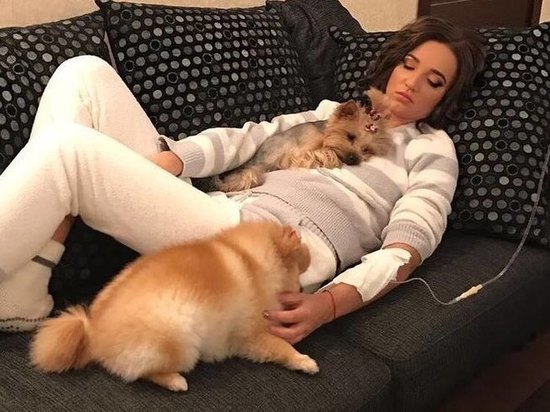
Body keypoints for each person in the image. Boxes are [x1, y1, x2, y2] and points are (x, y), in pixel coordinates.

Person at [0, 16, 486, 339]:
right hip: (222, 212)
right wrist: (177, 160)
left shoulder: (432, 149)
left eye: (434, 81)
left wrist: (329, 305)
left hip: (277, 251)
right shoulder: (331, 111)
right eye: (409, 65)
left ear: (445, 97)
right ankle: (24, 289)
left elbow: (406, 249)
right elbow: (250, 139)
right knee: (83, 74)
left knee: (70, 150)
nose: (411, 83)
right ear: (393, 63)